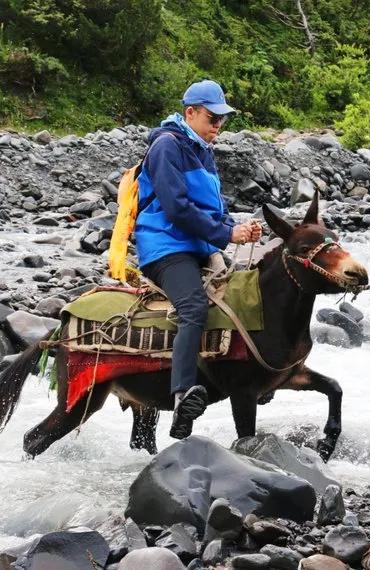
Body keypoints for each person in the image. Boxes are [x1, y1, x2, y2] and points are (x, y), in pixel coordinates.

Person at [135, 79, 262, 439]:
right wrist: (226, 235)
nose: (218, 125)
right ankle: (181, 397)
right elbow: (176, 208)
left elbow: (213, 209)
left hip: (199, 247)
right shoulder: (166, 146)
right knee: (193, 307)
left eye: (222, 119)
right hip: (165, 246)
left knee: (244, 293)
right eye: (212, 117)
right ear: (190, 113)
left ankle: (253, 373)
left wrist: (236, 228)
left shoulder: (203, 150)